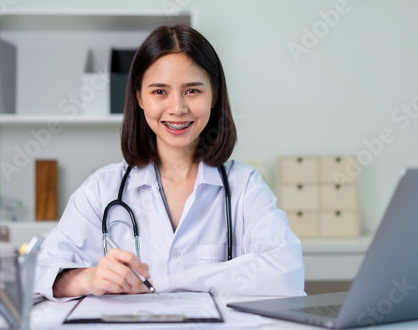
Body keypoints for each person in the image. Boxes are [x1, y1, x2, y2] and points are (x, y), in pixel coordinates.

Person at [34, 24, 305, 301]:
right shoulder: (101, 189)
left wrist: (166, 285)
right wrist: (88, 278)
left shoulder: (244, 186)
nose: (177, 108)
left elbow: (286, 274)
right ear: (139, 97)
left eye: (192, 91)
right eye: (159, 92)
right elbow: (39, 272)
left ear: (214, 95)